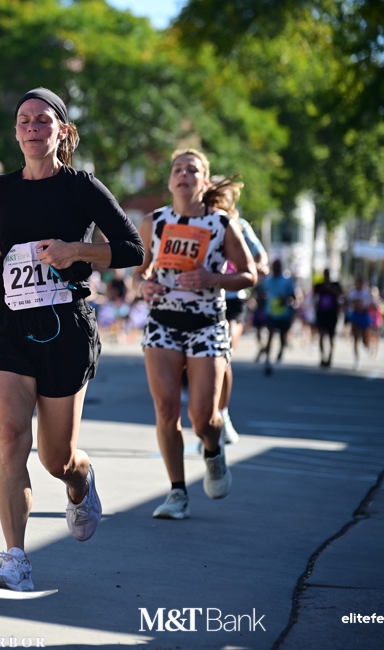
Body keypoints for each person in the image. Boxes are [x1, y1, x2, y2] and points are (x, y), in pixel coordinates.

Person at [0, 88, 144, 590]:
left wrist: (75, 250)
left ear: (62, 130)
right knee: (9, 440)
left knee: (55, 458)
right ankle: (15, 560)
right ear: (15, 131)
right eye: (24, 120)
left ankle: (80, 481)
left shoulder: (81, 187)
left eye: (43, 119)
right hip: (8, 327)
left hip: (65, 328)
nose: (32, 127)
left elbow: (133, 249)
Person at [137, 148, 258, 521]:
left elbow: (250, 274)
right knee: (165, 409)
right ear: (170, 181)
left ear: (203, 182)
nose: (183, 174)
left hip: (207, 324)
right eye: (178, 169)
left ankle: (213, 449)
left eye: (192, 169)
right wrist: (143, 285)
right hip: (163, 323)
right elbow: (139, 271)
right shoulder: (154, 222)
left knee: (203, 417)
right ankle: (177, 492)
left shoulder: (221, 224)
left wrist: (213, 278)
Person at [194, 177, 267, 452]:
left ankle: (221, 414)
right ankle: (209, 421)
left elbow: (260, 256)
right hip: (203, 300)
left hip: (233, 300)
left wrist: (259, 266)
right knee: (205, 364)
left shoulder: (238, 225)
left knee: (223, 356)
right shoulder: (195, 223)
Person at [256, 258, 297, 375]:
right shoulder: (267, 280)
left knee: (282, 336)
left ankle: (281, 351)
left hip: (284, 314)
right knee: (270, 334)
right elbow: (260, 293)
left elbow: (293, 296)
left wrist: (285, 298)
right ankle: (268, 359)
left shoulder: (287, 281)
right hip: (271, 313)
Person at [313, 269, 344, 367]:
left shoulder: (335, 285)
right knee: (321, 335)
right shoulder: (319, 286)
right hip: (322, 314)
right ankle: (322, 357)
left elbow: (340, 294)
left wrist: (330, 289)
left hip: (332, 314)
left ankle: (330, 356)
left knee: (331, 337)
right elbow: (314, 295)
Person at [347, 277, 374, 369]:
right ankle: (357, 359)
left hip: (364, 315)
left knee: (365, 337)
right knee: (355, 338)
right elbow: (349, 303)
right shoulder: (352, 292)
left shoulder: (366, 293)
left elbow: (370, 304)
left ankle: (367, 345)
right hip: (355, 315)